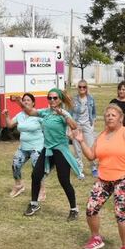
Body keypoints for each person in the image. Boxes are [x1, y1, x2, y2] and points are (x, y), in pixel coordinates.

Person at [74, 104, 125, 249]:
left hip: (123, 177)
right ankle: (96, 238)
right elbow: (91, 156)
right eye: (107, 115)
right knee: (91, 208)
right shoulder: (101, 136)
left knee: (121, 213)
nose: (110, 117)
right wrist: (81, 141)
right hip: (104, 177)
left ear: (120, 118)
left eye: (113, 115)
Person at [18, 89, 83, 219]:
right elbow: (30, 111)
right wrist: (19, 102)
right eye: (50, 98)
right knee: (36, 175)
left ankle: (74, 209)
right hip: (47, 149)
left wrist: (63, 115)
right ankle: (34, 203)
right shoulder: (45, 112)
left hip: (60, 150)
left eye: (55, 98)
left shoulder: (63, 113)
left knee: (64, 181)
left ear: (60, 100)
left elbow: (74, 126)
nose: (52, 100)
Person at [2, 94, 45, 199]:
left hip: (36, 148)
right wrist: (7, 116)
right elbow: (10, 125)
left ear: (33, 103)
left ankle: (42, 191)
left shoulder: (38, 114)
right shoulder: (20, 115)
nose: (26, 102)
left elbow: (48, 127)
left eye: (28, 100)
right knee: (15, 165)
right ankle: (19, 185)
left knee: (37, 171)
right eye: (24, 100)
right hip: (23, 147)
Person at [69, 80, 98, 178]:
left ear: (86, 88)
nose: (82, 89)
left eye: (84, 87)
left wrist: (92, 125)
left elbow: (94, 113)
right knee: (77, 149)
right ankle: (79, 170)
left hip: (87, 125)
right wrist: (70, 128)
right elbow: (69, 115)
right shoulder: (73, 99)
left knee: (91, 147)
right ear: (77, 88)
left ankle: (94, 167)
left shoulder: (90, 99)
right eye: (80, 87)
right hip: (76, 125)